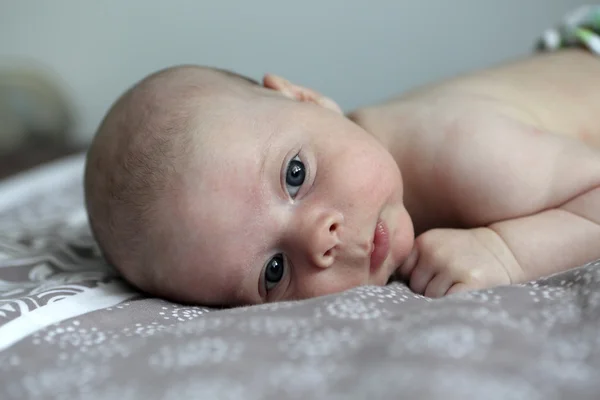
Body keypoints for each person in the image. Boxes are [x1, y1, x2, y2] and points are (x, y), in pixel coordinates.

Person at [84, 8, 600, 306]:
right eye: (273, 272)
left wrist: (504, 251)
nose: (318, 238)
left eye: (294, 174)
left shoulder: (466, 152)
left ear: (305, 97)